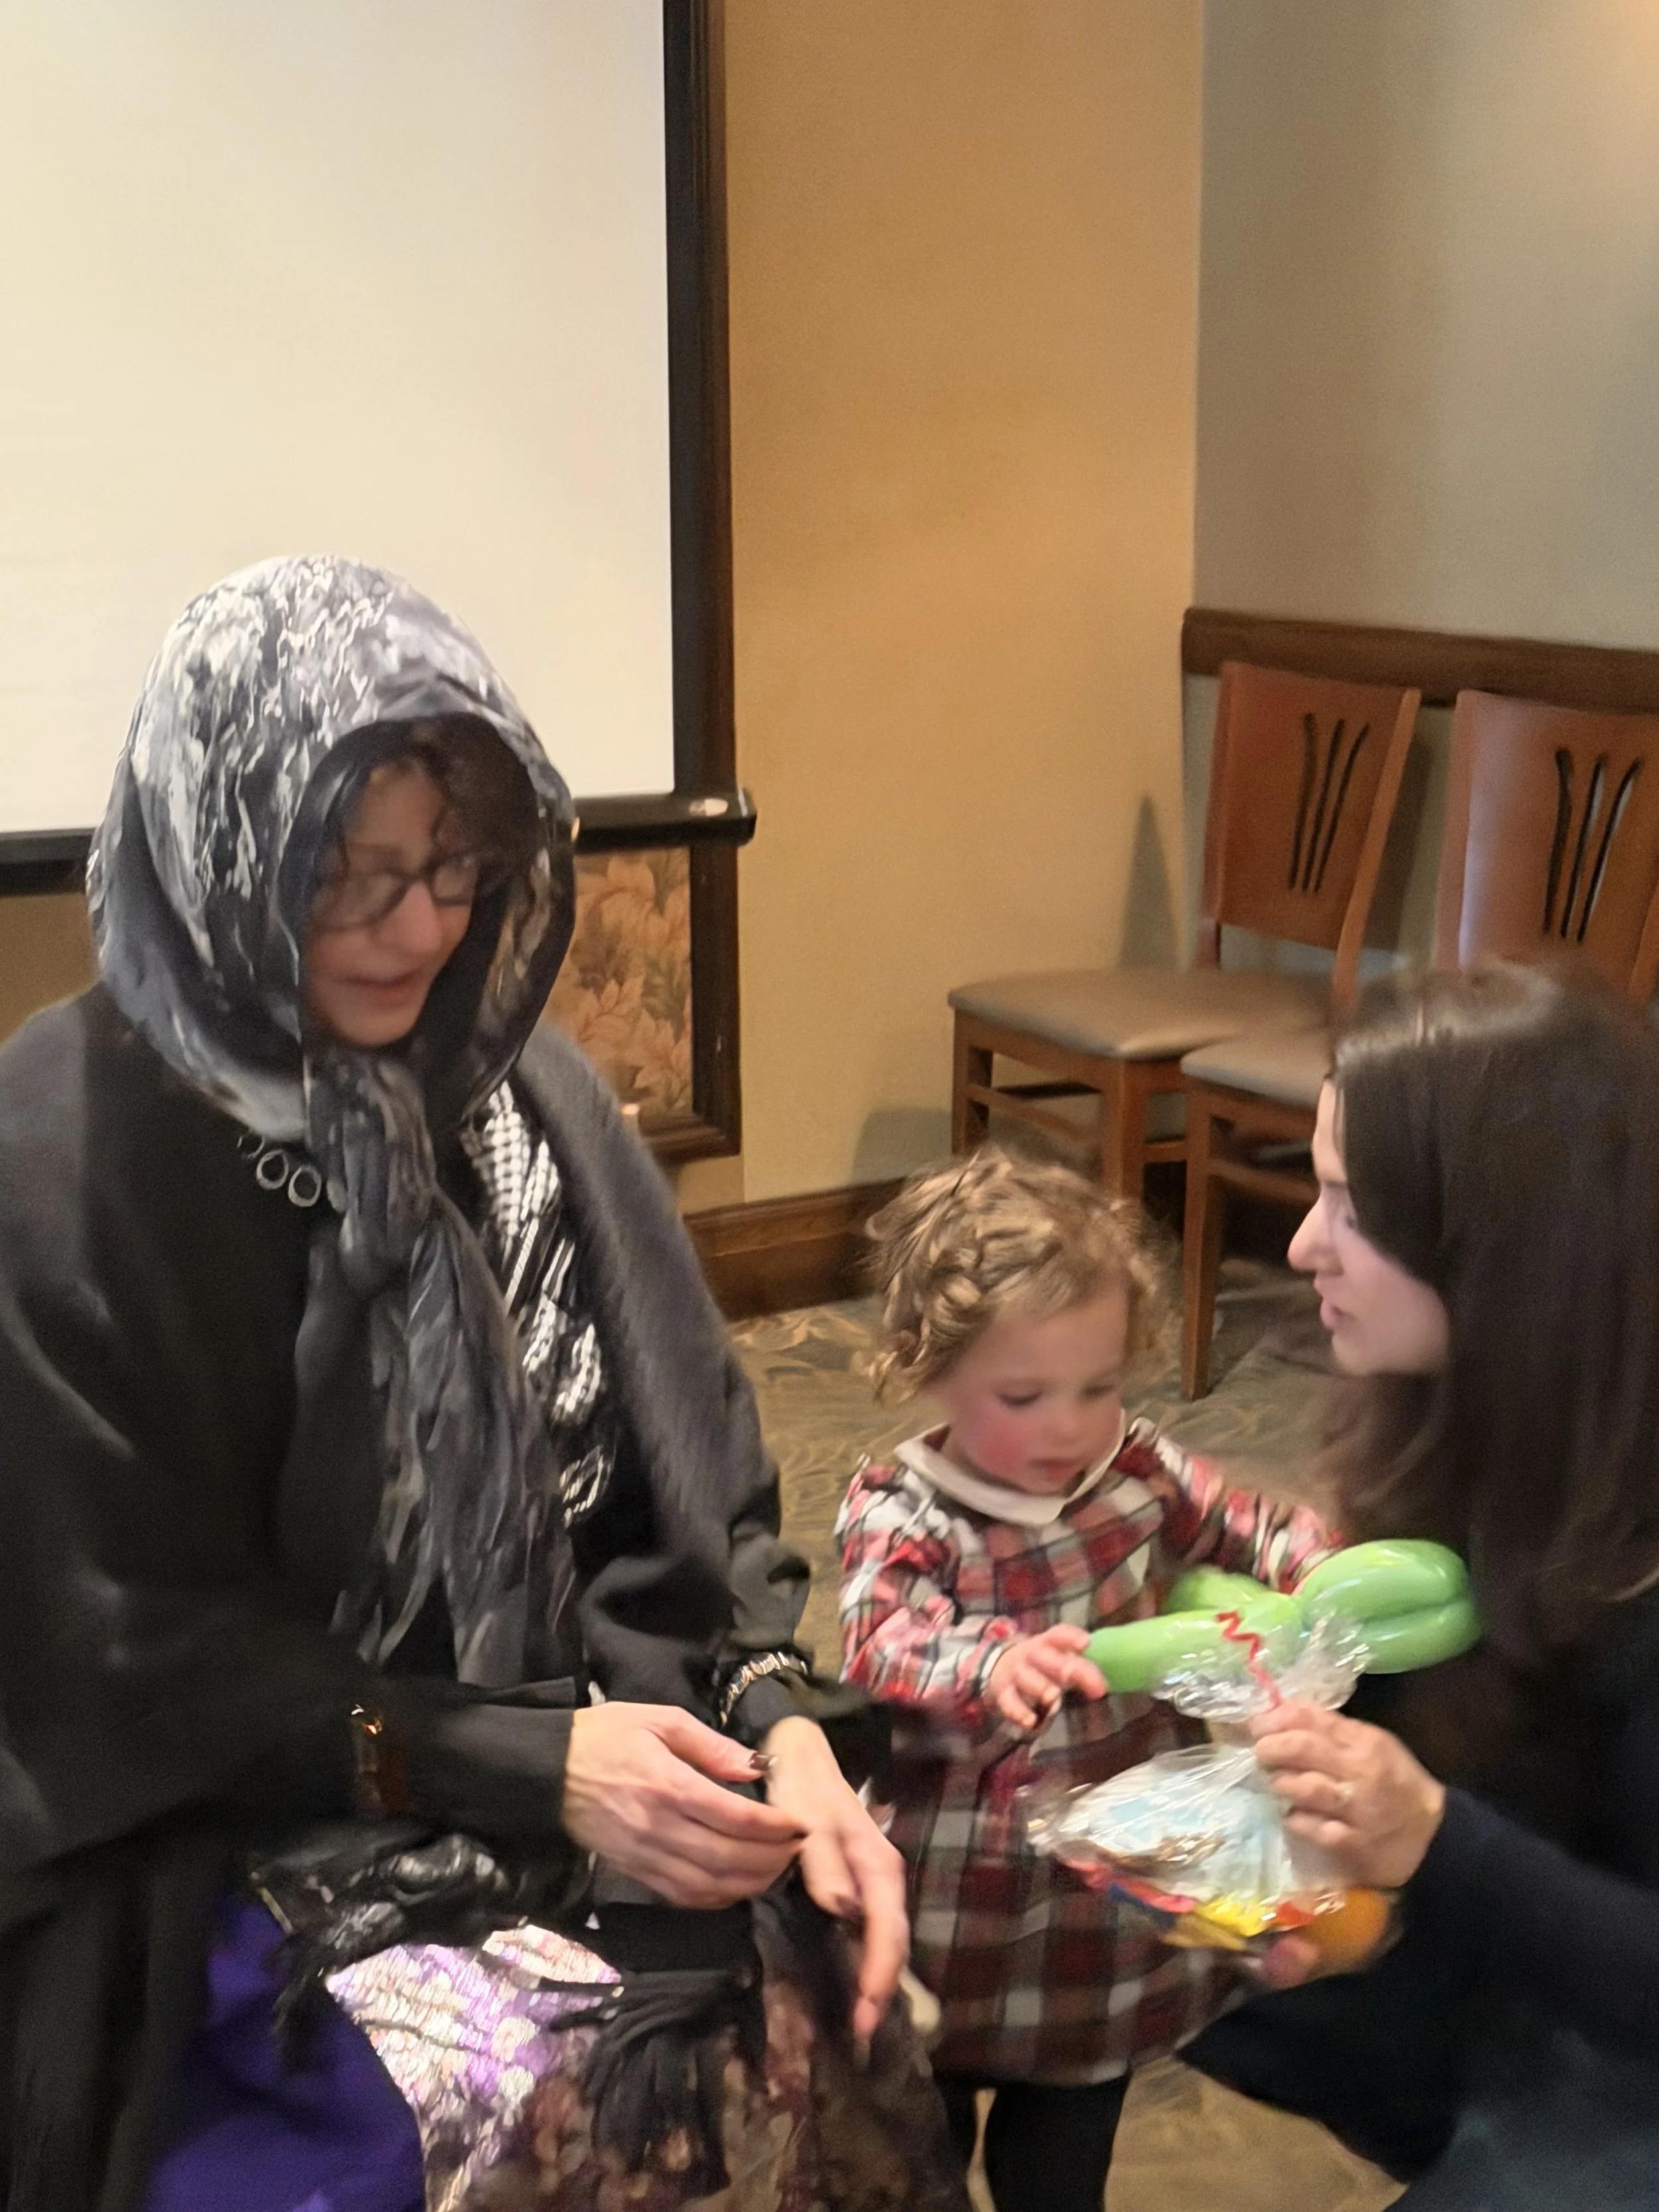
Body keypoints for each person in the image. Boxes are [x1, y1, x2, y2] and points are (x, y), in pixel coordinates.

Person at [0, 555, 964, 2212]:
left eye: (452, 868)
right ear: (222, 858)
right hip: (212, 1826)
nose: (420, 931)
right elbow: (130, 1670)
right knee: (497, 2115)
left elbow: (681, 1493)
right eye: (345, 878)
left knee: (827, 2010)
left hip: (564, 1743)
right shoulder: (60, 1165)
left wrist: (771, 1721)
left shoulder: (520, 1099)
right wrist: (532, 1764)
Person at [1187, 962, 1659, 2208]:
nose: (1299, 1242)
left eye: (1351, 1205)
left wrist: (1437, 1840)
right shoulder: (1456, 1424)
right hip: (1521, 1966)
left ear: (1495, 1242)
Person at [835, 1149, 1334, 2212]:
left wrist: (1322, 1565)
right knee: (912, 2144)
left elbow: (1247, 1524)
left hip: (1098, 1898)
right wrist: (989, 1658)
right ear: (927, 1368)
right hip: (953, 1897)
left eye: (1099, 1386)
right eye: (1025, 1395)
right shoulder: (899, 1506)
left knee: (1065, 2157)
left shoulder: (1137, 1469)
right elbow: (882, 1640)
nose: (1070, 1426)